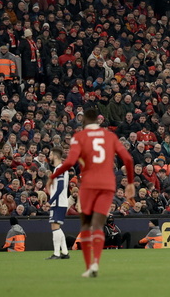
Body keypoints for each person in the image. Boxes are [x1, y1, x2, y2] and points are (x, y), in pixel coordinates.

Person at [47, 106, 135, 278]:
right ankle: (96, 263)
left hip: (89, 184)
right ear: (98, 121)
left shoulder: (79, 137)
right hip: (107, 184)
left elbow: (69, 162)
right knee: (98, 225)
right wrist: (130, 182)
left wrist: (53, 175)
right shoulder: (110, 136)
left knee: (87, 226)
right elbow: (128, 159)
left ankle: (89, 267)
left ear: (85, 122)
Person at [46, 147, 70, 259]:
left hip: (59, 202)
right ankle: (64, 252)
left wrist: (50, 201)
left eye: (50, 155)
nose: (49, 157)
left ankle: (56, 253)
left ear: (55, 156)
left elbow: (60, 188)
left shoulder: (60, 169)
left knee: (55, 226)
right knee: (56, 226)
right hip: (59, 202)